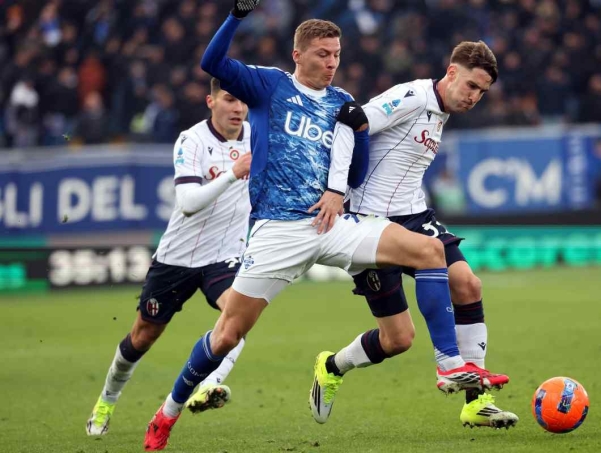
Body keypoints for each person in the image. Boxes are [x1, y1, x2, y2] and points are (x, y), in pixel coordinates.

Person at [143, 3, 508, 450]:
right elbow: (212, 63)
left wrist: (340, 183)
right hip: (279, 230)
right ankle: (167, 413)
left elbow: (356, 166)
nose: (332, 62)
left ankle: (451, 365)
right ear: (298, 55)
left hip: (334, 221)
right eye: (322, 54)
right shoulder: (270, 85)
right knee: (227, 334)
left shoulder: (341, 101)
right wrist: (236, 16)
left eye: (336, 54)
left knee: (431, 253)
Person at [313, 41, 518, 429]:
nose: (475, 97)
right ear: (452, 73)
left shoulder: (441, 110)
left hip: (413, 216)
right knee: (398, 340)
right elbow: (352, 120)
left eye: (482, 92)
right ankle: (332, 366)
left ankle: (476, 400)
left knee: (468, 284)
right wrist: (337, 188)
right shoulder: (411, 97)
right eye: (472, 86)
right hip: (368, 224)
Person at [86, 78, 252, 436]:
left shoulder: (258, 137)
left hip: (224, 255)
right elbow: (188, 203)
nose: (238, 108)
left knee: (238, 319)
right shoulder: (192, 140)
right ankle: (106, 400)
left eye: (243, 101)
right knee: (142, 336)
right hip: (178, 257)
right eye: (229, 100)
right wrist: (232, 174)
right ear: (211, 101)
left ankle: (210, 385)